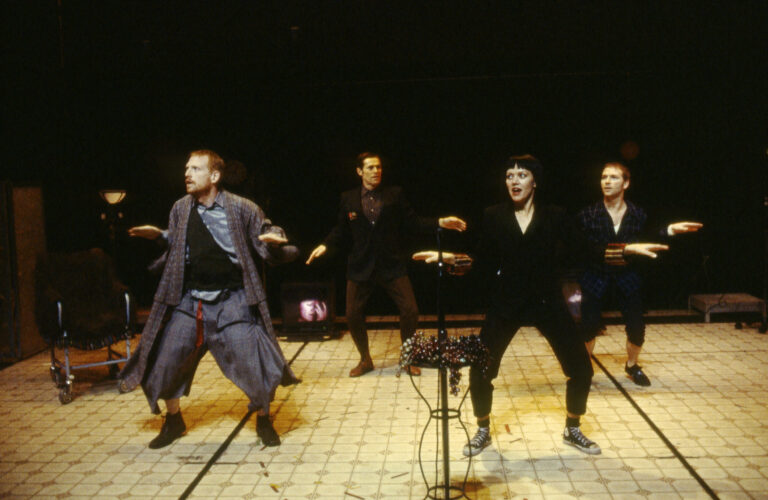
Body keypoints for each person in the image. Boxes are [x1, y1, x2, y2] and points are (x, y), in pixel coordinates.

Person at [414, 154, 673, 457]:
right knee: (481, 368)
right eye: (509, 175)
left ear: (534, 181)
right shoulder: (494, 215)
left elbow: (586, 251)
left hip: (546, 301)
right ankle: (482, 429)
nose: (514, 180)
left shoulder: (555, 215)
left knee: (581, 369)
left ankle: (573, 428)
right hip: (507, 302)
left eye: (522, 175)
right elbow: (481, 261)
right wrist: (451, 259)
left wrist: (625, 249)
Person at [120, 149, 300, 449]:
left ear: (214, 176)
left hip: (233, 300)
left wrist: (274, 240)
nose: (187, 174)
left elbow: (267, 230)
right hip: (191, 301)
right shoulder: (180, 208)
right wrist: (160, 236)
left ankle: (264, 420)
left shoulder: (242, 207)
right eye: (186, 168)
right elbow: (180, 241)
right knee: (166, 360)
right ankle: (174, 421)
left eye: (195, 169)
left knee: (254, 364)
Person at [306, 152, 467, 377]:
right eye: (370, 167)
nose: (376, 171)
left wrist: (440, 222)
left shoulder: (394, 194)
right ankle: (365, 359)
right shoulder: (348, 198)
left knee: (410, 310)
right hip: (361, 265)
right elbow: (341, 230)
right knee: (352, 314)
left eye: (378, 167)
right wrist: (325, 245)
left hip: (390, 264)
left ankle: (407, 358)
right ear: (359, 171)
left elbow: (414, 222)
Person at [578, 162, 702, 386]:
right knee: (588, 326)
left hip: (627, 275)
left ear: (625, 183)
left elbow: (649, 235)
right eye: (604, 177)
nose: (607, 181)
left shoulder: (637, 214)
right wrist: (624, 249)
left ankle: (632, 365)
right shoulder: (589, 214)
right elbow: (588, 249)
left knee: (636, 327)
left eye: (614, 177)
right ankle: (584, 369)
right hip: (596, 275)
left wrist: (670, 230)